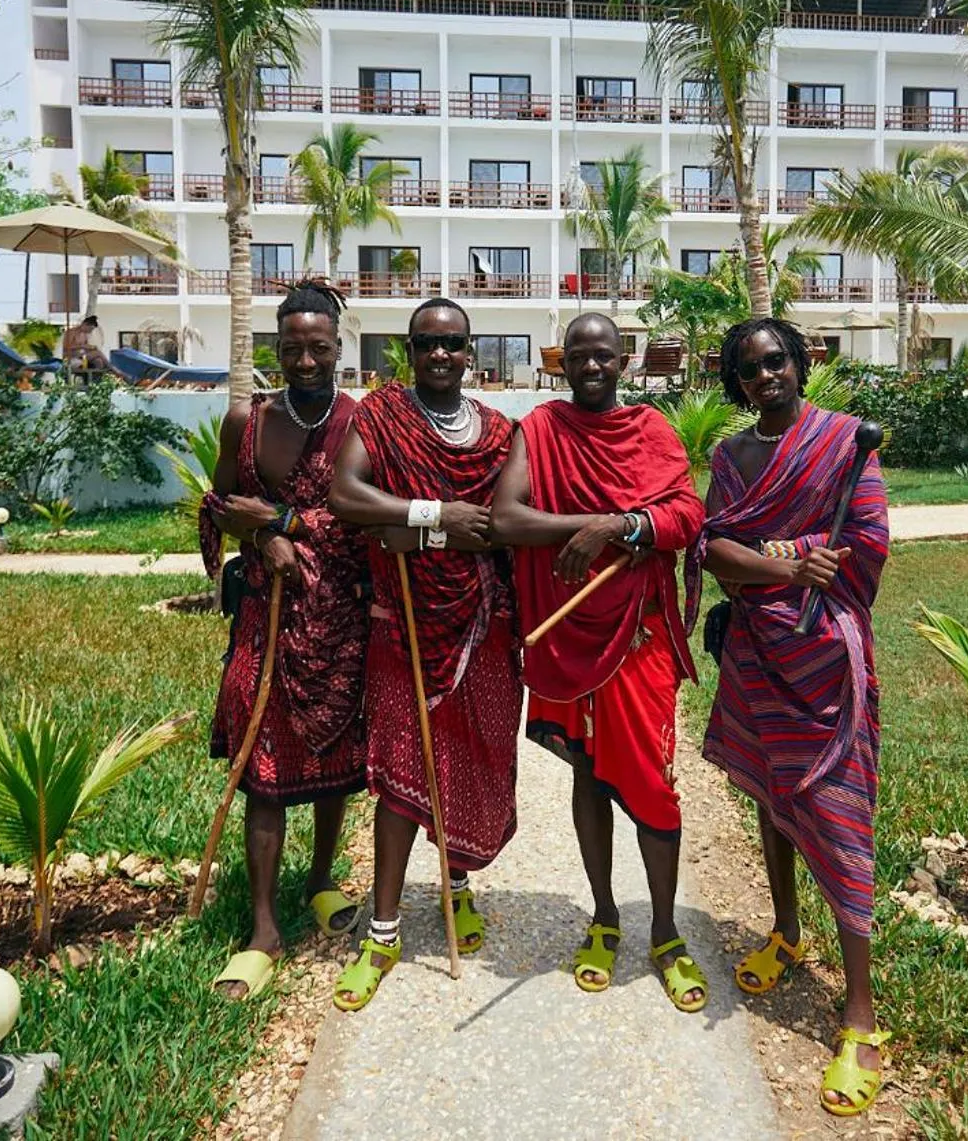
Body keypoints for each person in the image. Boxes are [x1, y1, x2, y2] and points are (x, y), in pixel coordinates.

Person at [694, 316, 891, 1117]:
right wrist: (784, 558)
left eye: (776, 360)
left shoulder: (848, 445)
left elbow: (867, 542)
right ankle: (785, 930)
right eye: (749, 368)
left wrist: (767, 554)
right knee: (771, 799)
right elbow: (710, 547)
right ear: (736, 382)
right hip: (755, 656)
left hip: (824, 661)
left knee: (841, 819)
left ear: (800, 365)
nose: (764, 375)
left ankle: (861, 1012)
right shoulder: (730, 456)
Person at [490, 313, 710, 1012]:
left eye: (603, 356)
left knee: (650, 781)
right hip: (567, 633)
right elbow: (506, 517)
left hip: (637, 635)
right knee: (587, 769)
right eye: (578, 356)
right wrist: (583, 531)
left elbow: (685, 514)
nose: (591, 366)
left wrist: (617, 526)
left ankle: (668, 932)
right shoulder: (542, 428)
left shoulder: (650, 430)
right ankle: (606, 914)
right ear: (563, 364)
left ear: (624, 362)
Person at [326, 299, 522, 1011]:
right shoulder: (379, 417)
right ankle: (382, 933)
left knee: (469, 757)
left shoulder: (501, 431)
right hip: (404, 620)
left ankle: (458, 882)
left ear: (471, 351)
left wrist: (432, 535)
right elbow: (347, 494)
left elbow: (500, 524)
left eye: (453, 343)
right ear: (406, 350)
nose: (440, 354)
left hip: (482, 622)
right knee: (405, 773)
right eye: (426, 343)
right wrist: (429, 516)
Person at [198, 281, 369, 1000]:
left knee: (331, 757)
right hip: (267, 619)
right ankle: (263, 925)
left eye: (318, 346)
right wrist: (261, 535)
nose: (305, 358)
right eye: (291, 346)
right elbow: (219, 505)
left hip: (339, 618)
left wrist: (287, 523)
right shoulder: (248, 420)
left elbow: (361, 518)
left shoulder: (364, 420)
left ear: (338, 345)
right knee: (262, 765)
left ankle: (323, 879)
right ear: (277, 346)